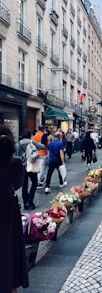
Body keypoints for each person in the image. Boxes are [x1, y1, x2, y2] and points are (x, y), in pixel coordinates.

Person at [0, 124, 29, 293]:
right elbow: (18, 184)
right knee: (9, 245)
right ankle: (11, 283)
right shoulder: (16, 163)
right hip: (8, 207)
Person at [15, 129, 46, 210]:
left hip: (22, 167)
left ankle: (25, 203)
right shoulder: (32, 142)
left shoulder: (18, 144)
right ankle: (30, 201)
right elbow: (43, 147)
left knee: (24, 185)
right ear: (30, 135)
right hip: (31, 165)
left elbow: (16, 155)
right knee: (34, 183)